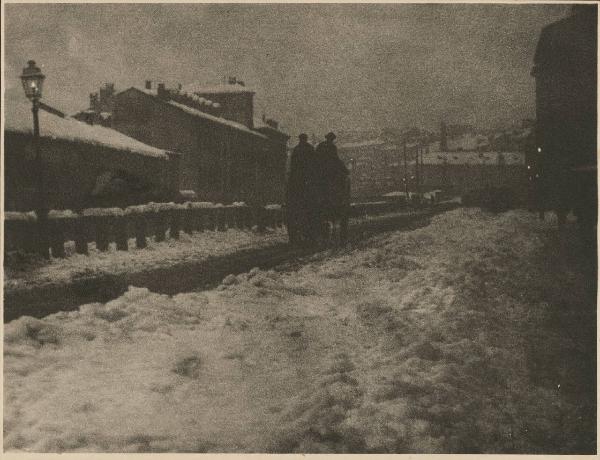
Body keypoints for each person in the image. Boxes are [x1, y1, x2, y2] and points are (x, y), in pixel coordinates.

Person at [314, 132, 350, 244]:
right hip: (329, 172)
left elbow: (316, 159)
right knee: (342, 179)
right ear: (332, 139)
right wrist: (345, 169)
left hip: (319, 172)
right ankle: (340, 201)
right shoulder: (332, 147)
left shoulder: (319, 146)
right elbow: (336, 160)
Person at [286, 133, 317, 245]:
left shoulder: (296, 150)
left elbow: (293, 165)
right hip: (307, 179)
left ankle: (295, 236)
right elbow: (314, 165)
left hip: (296, 180)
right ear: (306, 139)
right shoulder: (310, 149)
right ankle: (310, 234)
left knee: (293, 205)